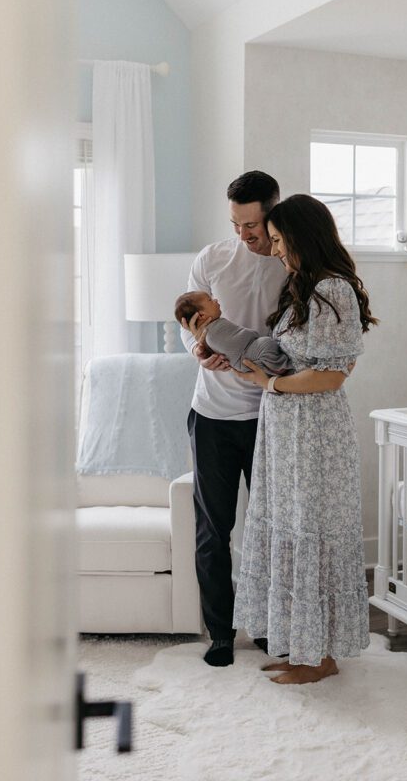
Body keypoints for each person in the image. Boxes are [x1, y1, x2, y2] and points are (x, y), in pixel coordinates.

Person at [231, 193, 377, 684]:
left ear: (300, 236)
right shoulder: (304, 287)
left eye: (277, 240)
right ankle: (305, 649)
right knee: (291, 533)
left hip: (315, 436)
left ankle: (318, 659)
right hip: (289, 431)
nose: (273, 250)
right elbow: (302, 359)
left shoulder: (333, 290)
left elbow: (333, 376)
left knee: (310, 533)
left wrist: (269, 383)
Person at [179, 171, 286, 667]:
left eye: (253, 224)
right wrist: (200, 352)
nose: (244, 234)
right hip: (213, 415)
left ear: (273, 211)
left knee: (269, 529)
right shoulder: (212, 258)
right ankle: (221, 631)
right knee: (212, 530)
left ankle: (265, 626)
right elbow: (186, 322)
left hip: (272, 415)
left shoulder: (291, 264)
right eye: (236, 224)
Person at [174, 290, 291, 374]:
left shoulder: (212, 330)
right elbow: (239, 340)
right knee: (266, 344)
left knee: (266, 344)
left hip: (246, 362)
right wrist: (253, 334)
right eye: (210, 300)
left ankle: (280, 365)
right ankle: (284, 365)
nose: (215, 300)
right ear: (201, 315)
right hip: (249, 357)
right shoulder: (215, 330)